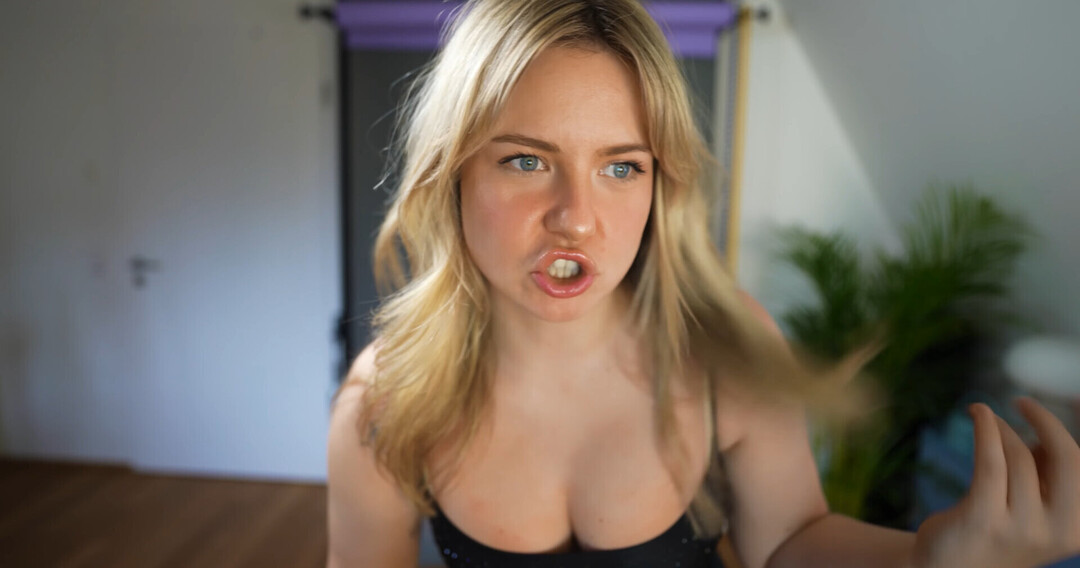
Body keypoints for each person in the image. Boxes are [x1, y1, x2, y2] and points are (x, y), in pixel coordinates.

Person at [326, 1, 1080, 567]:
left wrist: (927, 558)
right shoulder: (384, 402)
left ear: (660, 185)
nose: (576, 218)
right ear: (452, 173)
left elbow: (790, 540)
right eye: (526, 160)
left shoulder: (723, 347)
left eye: (622, 167)